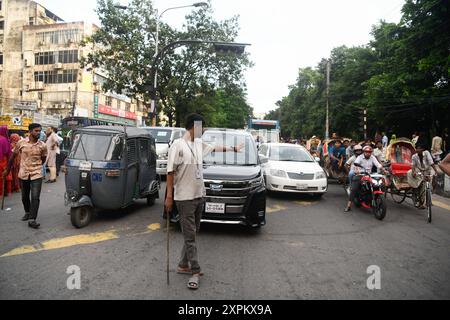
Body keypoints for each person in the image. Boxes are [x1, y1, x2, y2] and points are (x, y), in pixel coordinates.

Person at [164, 113, 243, 290]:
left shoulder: (199, 144)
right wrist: (169, 197)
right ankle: (195, 271)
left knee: (193, 233)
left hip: (199, 195)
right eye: (202, 127)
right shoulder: (178, 146)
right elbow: (170, 173)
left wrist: (234, 149)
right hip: (184, 198)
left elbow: (215, 147)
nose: (204, 130)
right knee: (190, 236)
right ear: (193, 126)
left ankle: (183, 265)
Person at [3, 123, 47, 229]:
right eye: (36, 130)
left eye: (39, 131)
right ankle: (27, 212)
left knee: (35, 197)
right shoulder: (21, 143)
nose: (38, 133)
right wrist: (7, 170)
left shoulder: (42, 145)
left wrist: (36, 166)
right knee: (24, 197)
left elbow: (43, 159)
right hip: (23, 173)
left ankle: (32, 219)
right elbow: (13, 157)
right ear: (30, 131)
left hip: (36, 173)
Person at [344, 145, 387, 212]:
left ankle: (376, 199)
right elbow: (356, 163)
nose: (368, 153)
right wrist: (357, 171)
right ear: (364, 152)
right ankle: (349, 205)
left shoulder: (372, 157)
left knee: (380, 184)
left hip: (370, 175)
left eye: (369, 152)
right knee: (354, 189)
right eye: (366, 152)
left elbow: (378, 165)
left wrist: (384, 170)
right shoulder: (360, 157)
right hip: (361, 174)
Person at [407, 144, 437, 209]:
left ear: (422, 149)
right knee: (409, 173)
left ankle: (426, 202)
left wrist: (436, 171)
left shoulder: (426, 153)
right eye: (416, 148)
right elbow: (413, 165)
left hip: (427, 171)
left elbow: (431, 163)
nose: (417, 150)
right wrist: (413, 172)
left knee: (427, 186)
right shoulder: (414, 156)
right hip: (419, 171)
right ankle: (414, 190)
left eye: (419, 148)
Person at [0, 126, 12, 197]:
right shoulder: (5, 139)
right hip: (3, 160)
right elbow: (8, 152)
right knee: (4, 176)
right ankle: (4, 192)